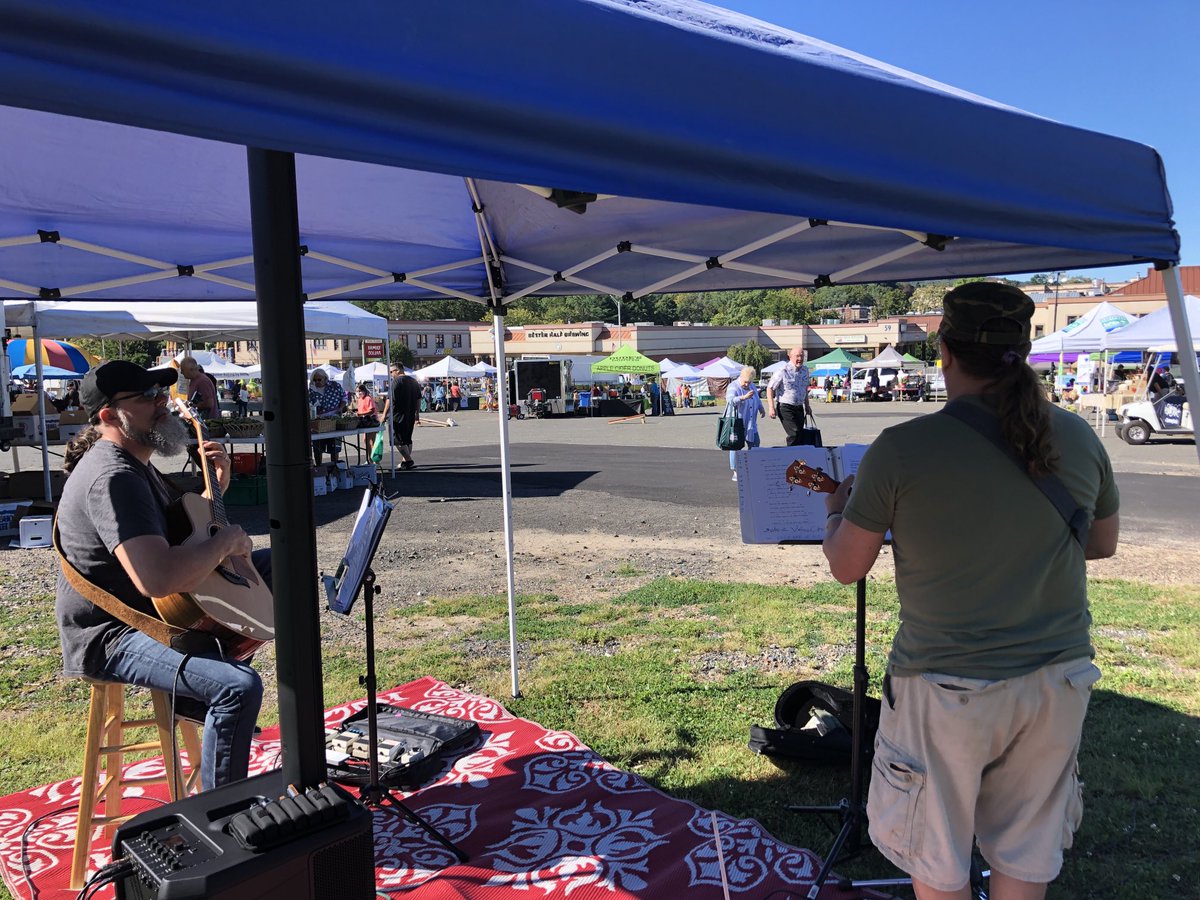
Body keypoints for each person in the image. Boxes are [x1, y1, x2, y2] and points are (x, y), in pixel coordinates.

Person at [822, 282, 1119, 900]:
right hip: (1056, 678)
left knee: (939, 858)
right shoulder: (1081, 437)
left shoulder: (903, 448)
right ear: (1024, 347)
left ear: (944, 352)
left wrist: (835, 512)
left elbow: (848, 567)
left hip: (945, 684)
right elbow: (1099, 544)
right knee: (1025, 852)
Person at [56, 361, 270, 790]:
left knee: (280, 566)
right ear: (108, 416)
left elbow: (178, 537)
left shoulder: (135, 463)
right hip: (112, 632)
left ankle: (200, 682)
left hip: (156, 610)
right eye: (146, 398)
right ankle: (221, 818)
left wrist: (216, 491)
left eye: (160, 393)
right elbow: (158, 580)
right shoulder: (114, 478)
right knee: (237, 687)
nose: (162, 403)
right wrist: (225, 543)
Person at [765, 346, 811, 445]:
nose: (800, 359)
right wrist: (771, 407)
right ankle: (791, 456)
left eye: (802, 356)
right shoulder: (783, 370)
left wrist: (807, 406)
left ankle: (799, 458)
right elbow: (770, 388)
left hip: (799, 407)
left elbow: (805, 389)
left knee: (800, 435)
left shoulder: (805, 370)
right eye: (797, 356)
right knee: (794, 433)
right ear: (790, 357)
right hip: (785, 407)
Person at [725, 366, 764, 480]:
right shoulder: (733, 386)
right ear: (740, 377)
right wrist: (743, 397)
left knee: (755, 443)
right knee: (736, 447)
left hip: (751, 423)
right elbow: (730, 400)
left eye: (749, 382)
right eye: (745, 382)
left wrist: (761, 408)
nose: (747, 384)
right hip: (737, 423)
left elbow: (757, 398)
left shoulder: (751, 385)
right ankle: (736, 471)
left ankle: (752, 467)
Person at [383, 363, 421, 470]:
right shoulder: (413, 381)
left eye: (391, 371)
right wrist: (417, 413)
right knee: (407, 439)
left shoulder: (395, 382)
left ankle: (408, 460)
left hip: (397, 415)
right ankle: (405, 462)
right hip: (410, 414)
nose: (390, 374)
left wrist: (384, 415)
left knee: (397, 440)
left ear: (398, 370)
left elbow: (390, 400)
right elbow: (419, 399)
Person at [308, 369, 347, 466]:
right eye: (315, 380)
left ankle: (335, 467)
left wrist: (340, 408)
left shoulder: (335, 386)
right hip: (318, 421)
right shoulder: (311, 390)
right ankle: (319, 467)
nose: (317, 382)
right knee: (317, 448)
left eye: (319, 379)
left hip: (334, 420)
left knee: (334, 447)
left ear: (325, 378)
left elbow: (344, 397)